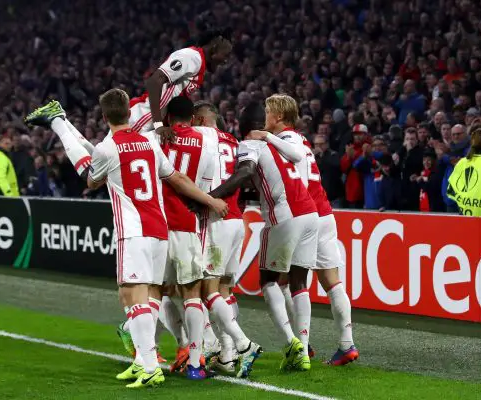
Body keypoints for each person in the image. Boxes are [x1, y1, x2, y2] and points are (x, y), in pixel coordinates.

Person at [24, 90, 229, 388]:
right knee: (142, 296)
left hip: (133, 231)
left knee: (133, 296)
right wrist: (210, 201)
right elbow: (177, 178)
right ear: (129, 113)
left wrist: (62, 128)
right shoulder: (149, 142)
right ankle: (142, 362)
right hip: (159, 230)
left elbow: (91, 178)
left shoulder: (108, 148)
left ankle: (150, 366)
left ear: (104, 117)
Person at [248, 94, 358, 366]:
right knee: (331, 281)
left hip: (305, 213)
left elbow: (293, 179)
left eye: (268, 111)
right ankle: (346, 344)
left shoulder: (286, 141)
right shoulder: (301, 139)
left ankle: (302, 344)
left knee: (287, 281)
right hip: (324, 213)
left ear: (279, 116)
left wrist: (265, 138)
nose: (265, 117)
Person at [209, 100, 319, 372]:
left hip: (284, 215)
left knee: (268, 280)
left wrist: (211, 196)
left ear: (244, 125)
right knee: (298, 282)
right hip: (310, 213)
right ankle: (304, 350)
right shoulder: (281, 143)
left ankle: (290, 342)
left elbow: (246, 171)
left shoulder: (250, 144)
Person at [192, 101, 262, 377]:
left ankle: (242, 345)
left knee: (204, 291)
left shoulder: (200, 139)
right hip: (236, 221)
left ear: (200, 120)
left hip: (216, 221)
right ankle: (227, 355)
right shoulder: (234, 142)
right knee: (225, 291)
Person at [131, 27, 233, 136]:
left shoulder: (199, 64)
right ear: (214, 48)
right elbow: (154, 82)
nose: (226, 61)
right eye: (225, 55)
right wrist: (158, 125)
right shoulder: (192, 57)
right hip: (141, 119)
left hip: (151, 126)